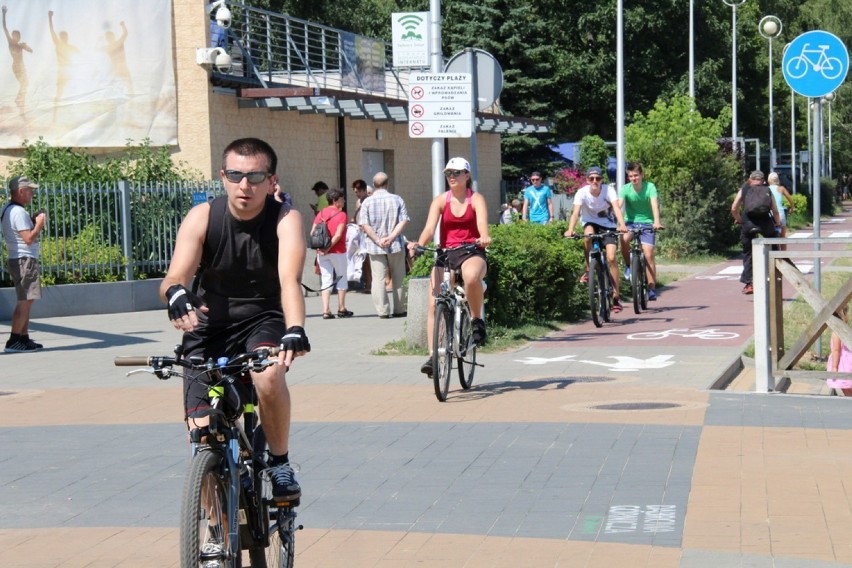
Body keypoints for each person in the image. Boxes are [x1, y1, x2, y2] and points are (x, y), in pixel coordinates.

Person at [159, 137, 308, 502]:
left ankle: (280, 462)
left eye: (255, 176)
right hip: (208, 327)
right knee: (201, 438)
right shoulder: (203, 216)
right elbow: (174, 277)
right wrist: (177, 295)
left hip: (264, 319)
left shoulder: (286, 219)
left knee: (268, 374)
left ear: (272, 180)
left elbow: (290, 281)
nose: (245, 185)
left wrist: (295, 329)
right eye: (236, 175)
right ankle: (212, 540)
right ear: (222, 176)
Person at [408, 157, 491, 376]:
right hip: (445, 252)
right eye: (448, 174)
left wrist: (484, 237)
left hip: (471, 251)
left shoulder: (476, 199)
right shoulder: (440, 201)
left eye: (456, 173)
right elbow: (428, 228)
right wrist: (419, 244)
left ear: (467, 175)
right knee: (435, 303)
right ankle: (434, 356)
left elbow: (482, 223)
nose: (452, 177)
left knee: (472, 275)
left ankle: (476, 320)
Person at [564, 166, 628, 313]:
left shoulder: (608, 190)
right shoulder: (582, 192)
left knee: (611, 258)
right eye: (591, 179)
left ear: (601, 180)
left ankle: (616, 297)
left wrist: (622, 225)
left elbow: (617, 208)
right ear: (587, 180)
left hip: (608, 225)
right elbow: (575, 212)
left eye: (597, 178)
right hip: (590, 222)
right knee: (587, 237)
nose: (594, 181)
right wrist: (570, 229)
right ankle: (588, 268)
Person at [1, 176, 46, 353]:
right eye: (29, 190)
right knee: (24, 301)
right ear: (20, 191)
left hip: (18, 258)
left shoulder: (7, 208)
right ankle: (14, 340)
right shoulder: (18, 212)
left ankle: (23, 338)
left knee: (27, 300)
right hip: (24, 259)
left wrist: (33, 222)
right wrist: (39, 225)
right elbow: (28, 239)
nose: (32, 193)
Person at [358, 172, 409, 318]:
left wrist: (378, 239)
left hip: (375, 245)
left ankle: (383, 311)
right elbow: (404, 220)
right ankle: (399, 309)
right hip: (396, 243)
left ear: (373, 185)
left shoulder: (367, 202)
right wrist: (392, 236)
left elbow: (364, 224)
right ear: (387, 184)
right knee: (399, 275)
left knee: (378, 278)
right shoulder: (397, 199)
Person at [618, 162, 664, 301]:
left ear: (642, 175)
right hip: (630, 222)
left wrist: (656, 222)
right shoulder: (625, 189)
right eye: (630, 176)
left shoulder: (650, 187)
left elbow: (654, 205)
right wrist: (618, 223)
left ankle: (651, 288)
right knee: (624, 239)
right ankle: (628, 265)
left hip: (647, 223)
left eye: (636, 175)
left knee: (649, 254)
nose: (633, 178)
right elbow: (618, 206)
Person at [731, 170, 781, 295]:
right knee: (774, 246)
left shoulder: (744, 189)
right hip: (765, 223)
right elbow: (775, 210)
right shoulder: (767, 190)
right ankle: (776, 274)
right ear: (763, 180)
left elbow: (734, 208)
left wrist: (739, 220)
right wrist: (777, 223)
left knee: (748, 253)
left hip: (748, 223)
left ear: (750, 179)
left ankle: (749, 284)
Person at [312, 188, 352, 319]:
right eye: (342, 198)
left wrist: (322, 248)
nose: (344, 200)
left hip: (321, 252)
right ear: (335, 200)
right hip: (338, 251)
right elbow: (338, 234)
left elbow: (313, 232)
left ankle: (325, 310)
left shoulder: (321, 213)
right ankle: (341, 308)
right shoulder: (342, 215)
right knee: (341, 277)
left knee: (326, 279)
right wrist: (329, 248)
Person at [2, 5, 33, 115]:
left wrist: (28, 48)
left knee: (25, 84)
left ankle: (21, 107)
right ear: (12, 36)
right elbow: (5, 28)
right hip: (16, 67)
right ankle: (19, 103)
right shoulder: (11, 42)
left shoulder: (21, 45)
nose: (17, 37)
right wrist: (4, 14)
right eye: (15, 35)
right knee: (24, 84)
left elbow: (30, 49)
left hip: (22, 67)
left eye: (18, 36)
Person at [827, 303, 852, 396]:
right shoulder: (847, 329)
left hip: (842, 364)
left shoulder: (836, 332)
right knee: (848, 386)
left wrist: (834, 367)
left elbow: (836, 350)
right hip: (849, 361)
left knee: (845, 386)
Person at [767, 172, 795, 250]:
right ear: (777, 180)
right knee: (783, 236)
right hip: (781, 214)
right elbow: (790, 199)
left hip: (770, 214)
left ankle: (772, 253)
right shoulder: (781, 188)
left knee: (771, 236)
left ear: (769, 180)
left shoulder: (767, 189)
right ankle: (783, 256)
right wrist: (792, 208)